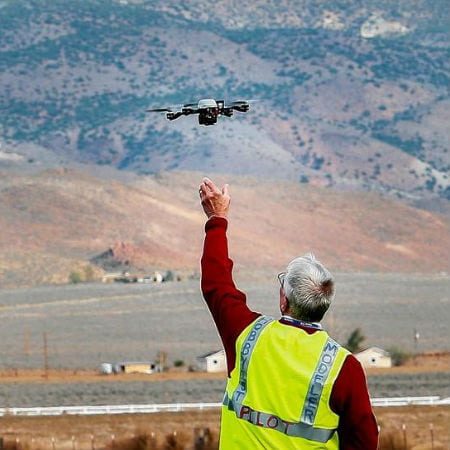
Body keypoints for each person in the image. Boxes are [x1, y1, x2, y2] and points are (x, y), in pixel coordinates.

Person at [198, 177, 379, 450]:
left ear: (284, 299)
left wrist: (217, 218)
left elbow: (216, 283)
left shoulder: (247, 335)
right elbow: (365, 442)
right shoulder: (345, 368)